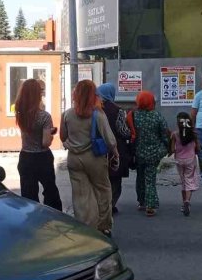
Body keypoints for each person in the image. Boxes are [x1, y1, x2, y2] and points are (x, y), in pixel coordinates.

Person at [60, 79, 117, 234]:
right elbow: (110, 140)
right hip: (95, 158)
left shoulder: (67, 115)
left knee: (80, 194)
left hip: (73, 158)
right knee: (103, 190)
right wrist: (116, 154)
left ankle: (85, 226)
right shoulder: (98, 114)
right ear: (94, 95)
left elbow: (63, 137)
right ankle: (103, 226)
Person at [15, 78, 62, 210]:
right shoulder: (44, 116)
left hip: (25, 157)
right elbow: (45, 143)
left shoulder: (20, 113)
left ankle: (31, 221)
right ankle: (54, 219)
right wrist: (51, 133)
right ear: (37, 95)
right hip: (42, 158)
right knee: (50, 191)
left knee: (28, 194)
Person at [132, 90, 171, 217]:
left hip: (138, 152)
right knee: (150, 179)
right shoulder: (157, 116)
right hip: (154, 153)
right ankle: (150, 205)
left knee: (140, 177)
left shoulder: (134, 116)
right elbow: (165, 134)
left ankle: (141, 201)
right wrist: (167, 147)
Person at [96, 83, 132, 214]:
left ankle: (102, 204)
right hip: (115, 147)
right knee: (115, 179)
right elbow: (123, 131)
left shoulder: (95, 109)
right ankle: (111, 205)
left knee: (101, 178)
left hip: (98, 147)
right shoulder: (118, 110)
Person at [171, 112, 200, 216]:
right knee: (189, 179)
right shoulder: (194, 134)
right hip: (190, 159)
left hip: (179, 160)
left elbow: (172, 149)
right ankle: (187, 201)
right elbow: (198, 148)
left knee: (183, 180)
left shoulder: (175, 134)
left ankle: (183, 203)